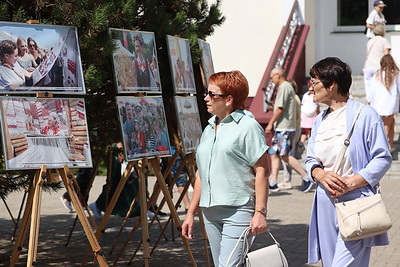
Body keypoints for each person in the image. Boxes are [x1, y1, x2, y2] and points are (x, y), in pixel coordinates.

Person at [305, 57, 392, 266]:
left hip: (356, 203)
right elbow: (310, 159)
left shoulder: (365, 115)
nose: (311, 87)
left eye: (315, 82)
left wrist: (350, 183)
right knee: (329, 261)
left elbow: (382, 157)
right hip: (325, 202)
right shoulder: (320, 120)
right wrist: (320, 174)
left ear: (332, 84)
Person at [181, 71, 269, 266]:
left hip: (237, 209)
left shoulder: (248, 126)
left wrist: (260, 212)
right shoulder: (209, 127)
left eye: (213, 94)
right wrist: (190, 213)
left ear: (229, 99)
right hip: (210, 212)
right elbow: (201, 174)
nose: (206, 98)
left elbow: (262, 170)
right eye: (207, 93)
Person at [265, 67, 312, 193]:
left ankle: (306, 177)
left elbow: (280, 109)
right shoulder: (285, 87)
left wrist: (270, 124)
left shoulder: (284, 87)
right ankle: (273, 182)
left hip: (284, 127)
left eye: (272, 77)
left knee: (284, 155)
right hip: (283, 126)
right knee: (274, 154)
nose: (271, 80)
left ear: (278, 76)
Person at [89, 142, 140, 219]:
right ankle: (98, 204)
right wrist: (120, 146)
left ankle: (142, 208)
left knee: (135, 180)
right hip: (119, 146)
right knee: (115, 182)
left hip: (133, 145)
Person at [367, 54, 400, 153]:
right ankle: (382, 148)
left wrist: (369, 100)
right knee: (387, 125)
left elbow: (371, 90)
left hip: (378, 104)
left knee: (391, 123)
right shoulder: (396, 74)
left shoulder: (377, 74)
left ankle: (391, 145)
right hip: (391, 103)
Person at [363, 23, 390, 103]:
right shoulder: (384, 41)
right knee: (380, 89)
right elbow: (386, 56)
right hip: (379, 67)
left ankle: (370, 104)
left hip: (368, 66)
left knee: (369, 89)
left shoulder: (370, 41)